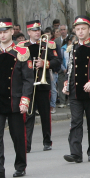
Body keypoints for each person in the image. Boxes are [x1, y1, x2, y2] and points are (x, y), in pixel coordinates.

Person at [0, 18, 34, 178]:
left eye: (5, 31)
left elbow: (28, 79)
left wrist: (25, 99)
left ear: (12, 32)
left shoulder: (21, 52)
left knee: (18, 135)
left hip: (15, 101)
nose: (2, 35)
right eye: (0, 32)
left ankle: (20, 166)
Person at [62, 16, 90, 163]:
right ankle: (75, 153)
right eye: (78, 29)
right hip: (75, 91)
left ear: (89, 29)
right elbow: (69, 69)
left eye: (83, 29)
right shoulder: (72, 48)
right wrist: (66, 83)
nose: (80, 32)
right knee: (75, 122)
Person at [19, 20, 61, 152]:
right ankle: (26, 144)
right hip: (28, 84)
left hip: (43, 84)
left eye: (38, 30)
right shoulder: (22, 46)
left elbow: (57, 61)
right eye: (34, 30)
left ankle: (47, 141)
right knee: (28, 115)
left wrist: (45, 63)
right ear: (28, 32)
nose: (37, 32)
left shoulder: (48, 45)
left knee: (45, 114)